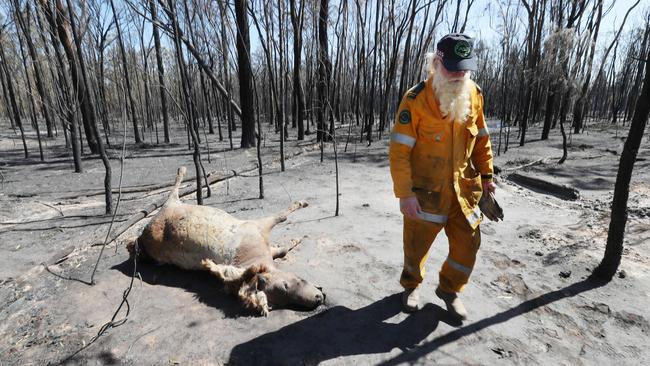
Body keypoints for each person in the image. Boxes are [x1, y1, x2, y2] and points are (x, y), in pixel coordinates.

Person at [388, 33, 495, 320]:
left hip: (464, 192)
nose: (460, 74)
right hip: (425, 193)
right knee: (416, 246)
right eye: (453, 67)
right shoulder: (416, 100)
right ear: (436, 63)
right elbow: (399, 151)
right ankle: (411, 285)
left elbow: (481, 139)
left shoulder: (474, 94)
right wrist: (404, 194)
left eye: (465, 68)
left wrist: (487, 176)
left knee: (468, 245)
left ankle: (449, 289)